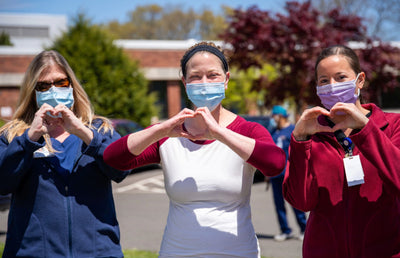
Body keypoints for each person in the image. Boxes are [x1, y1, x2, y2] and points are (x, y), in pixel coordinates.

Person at [103, 41, 286, 257]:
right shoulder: (169, 134)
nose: (204, 83)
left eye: (213, 75)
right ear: (184, 82)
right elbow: (113, 159)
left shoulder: (247, 130)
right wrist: (160, 129)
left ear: (226, 80)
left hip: (237, 251)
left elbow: (275, 165)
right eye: (196, 77)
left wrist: (220, 134)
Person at [0, 50, 129, 257]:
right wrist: (29, 139)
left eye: (60, 82)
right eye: (43, 85)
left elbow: (121, 169)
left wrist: (83, 132)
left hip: (99, 252)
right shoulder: (13, 135)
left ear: (72, 85)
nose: (53, 90)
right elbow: (2, 183)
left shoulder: (99, 129)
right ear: (33, 92)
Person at [283, 45, 400, 258]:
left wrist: (366, 130)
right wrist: (300, 141)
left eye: (341, 77)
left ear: (360, 80)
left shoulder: (392, 126)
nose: (332, 86)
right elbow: (301, 202)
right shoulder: (311, 133)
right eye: (324, 81)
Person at [268, 105, 307, 241]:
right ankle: (285, 230)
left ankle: (304, 229)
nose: (273, 118)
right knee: (279, 204)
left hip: (289, 174)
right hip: (275, 175)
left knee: (295, 203)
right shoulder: (273, 132)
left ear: (281, 116)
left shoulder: (292, 130)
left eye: (274, 116)